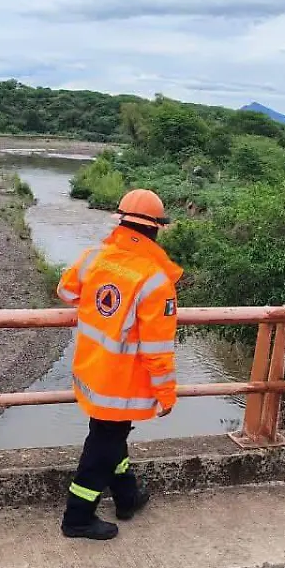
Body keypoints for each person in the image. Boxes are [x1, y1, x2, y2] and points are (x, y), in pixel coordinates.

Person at [56, 188, 181, 540]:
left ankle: (127, 497)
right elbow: (157, 348)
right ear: (156, 230)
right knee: (103, 446)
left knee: (111, 438)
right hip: (123, 384)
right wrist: (166, 393)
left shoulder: (93, 257)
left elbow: (66, 292)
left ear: (121, 222)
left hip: (91, 372)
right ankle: (77, 517)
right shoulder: (155, 281)